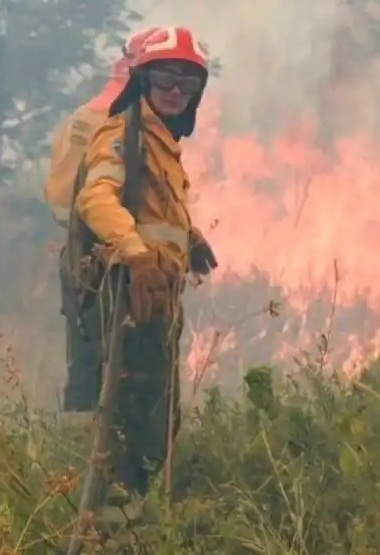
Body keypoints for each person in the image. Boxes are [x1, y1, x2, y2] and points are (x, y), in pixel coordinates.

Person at [63, 25, 219, 513]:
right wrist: (135, 253)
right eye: (166, 79)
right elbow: (96, 198)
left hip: (161, 296)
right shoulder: (122, 135)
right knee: (135, 414)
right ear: (143, 80)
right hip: (131, 294)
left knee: (160, 411)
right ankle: (118, 519)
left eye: (187, 83)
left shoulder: (161, 143)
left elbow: (153, 209)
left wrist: (189, 238)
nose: (176, 91)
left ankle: (142, 513)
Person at [46, 26, 158, 414]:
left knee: (86, 361)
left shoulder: (84, 115)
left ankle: (81, 444)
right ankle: (99, 446)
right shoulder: (122, 121)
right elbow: (96, 197)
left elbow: (58, 196)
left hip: (80, 253)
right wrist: (130, 243)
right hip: (108, 259)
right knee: (117, 366)